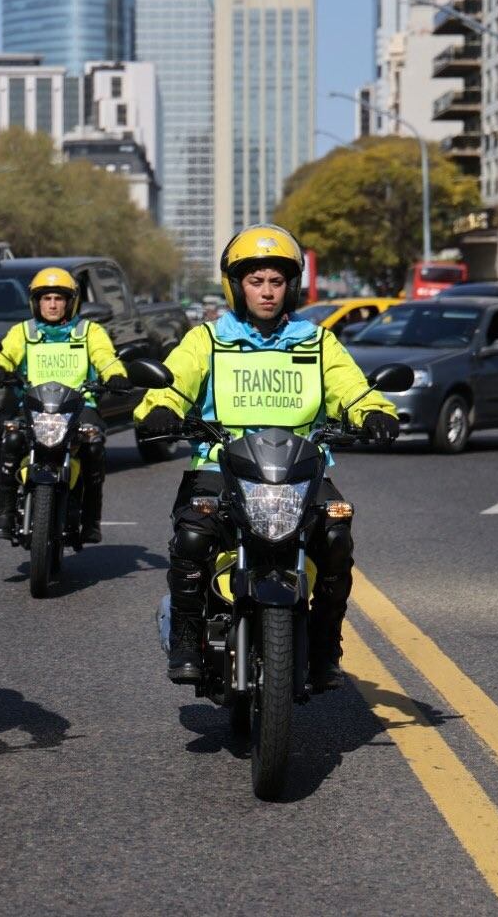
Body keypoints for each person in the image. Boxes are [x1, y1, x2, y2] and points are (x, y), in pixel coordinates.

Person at [134, 225, 399, 691]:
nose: (267, 292)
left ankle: (324, 651)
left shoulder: (316, 341)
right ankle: (186, 640)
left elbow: (352, 390)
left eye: (276, 282)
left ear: (290, 286)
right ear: (236, 286)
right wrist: (159, 408)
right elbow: (173, 383)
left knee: (336, 537)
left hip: (300, 468)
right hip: (219, 466)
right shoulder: (208, 340)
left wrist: (374, 411)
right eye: (256, 282)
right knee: (193, 536)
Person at [0, 267, 133, 544]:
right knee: (12, 438)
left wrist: (116, 374)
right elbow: (6, 355)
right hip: (33, 406)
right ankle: (4, 514)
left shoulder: (89, 331)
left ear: (71, 302)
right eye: (46, 298)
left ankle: (91, 520)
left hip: (79, 407)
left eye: (59, 298)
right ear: (36, 302)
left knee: (93, 445)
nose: (52, 304)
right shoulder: (23, 332)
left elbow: (106, 357)